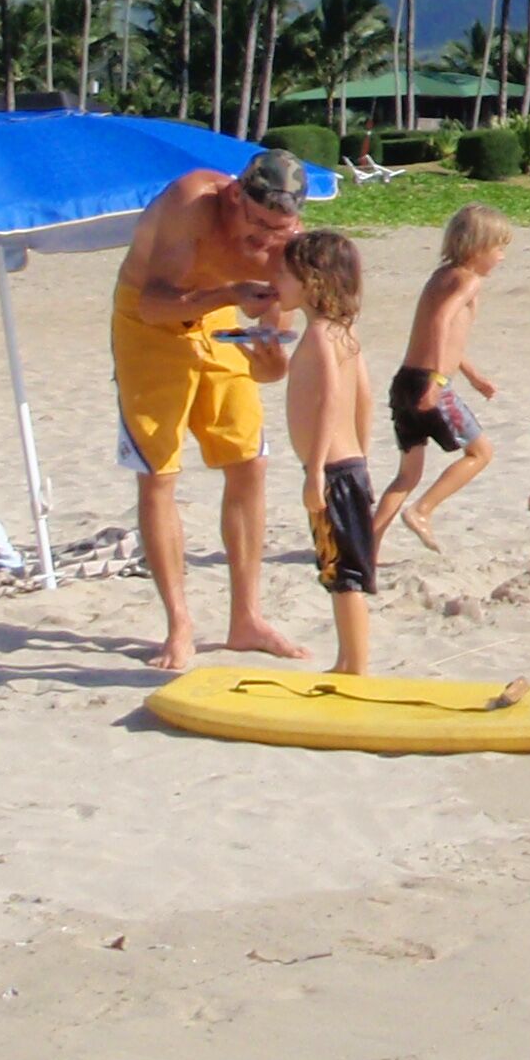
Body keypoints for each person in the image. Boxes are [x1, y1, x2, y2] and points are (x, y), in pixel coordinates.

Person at [113, 148, 310, 672]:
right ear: (235, 195)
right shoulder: (191, 202)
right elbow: (153, 304)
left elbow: (272, 365)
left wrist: (272, 361)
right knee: (159, 472)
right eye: (260, 223)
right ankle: (179, 627)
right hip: (150, 323)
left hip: (223, 318)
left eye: (281, 228)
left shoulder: (286, 243)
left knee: (249, 462)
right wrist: (225, 291)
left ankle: (246, 619)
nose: (267, 240)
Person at [372, 203, 509, 556]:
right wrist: (435, 381)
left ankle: (365, 548)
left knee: (407, 476)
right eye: (499, 249)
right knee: (480, 453)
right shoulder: (469, 281)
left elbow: (446, 336)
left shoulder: (440, 276)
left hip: (404, 381)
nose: (502, 258)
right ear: (478, 248)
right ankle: (422, 511)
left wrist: (474, 376)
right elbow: (441, 323)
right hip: (430, 385)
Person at [281, 230, 389, 674]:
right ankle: (347, 660)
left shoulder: (321, 338)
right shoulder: (344, 334)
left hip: (330, 472)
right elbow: (364, 398)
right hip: (349, 467)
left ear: (311, 281)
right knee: (339, 570)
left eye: (283, 275)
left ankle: (355, 664)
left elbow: (330, 399)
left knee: (343, 575)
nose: (276, 284)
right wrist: (362, 455)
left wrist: (315, 474)